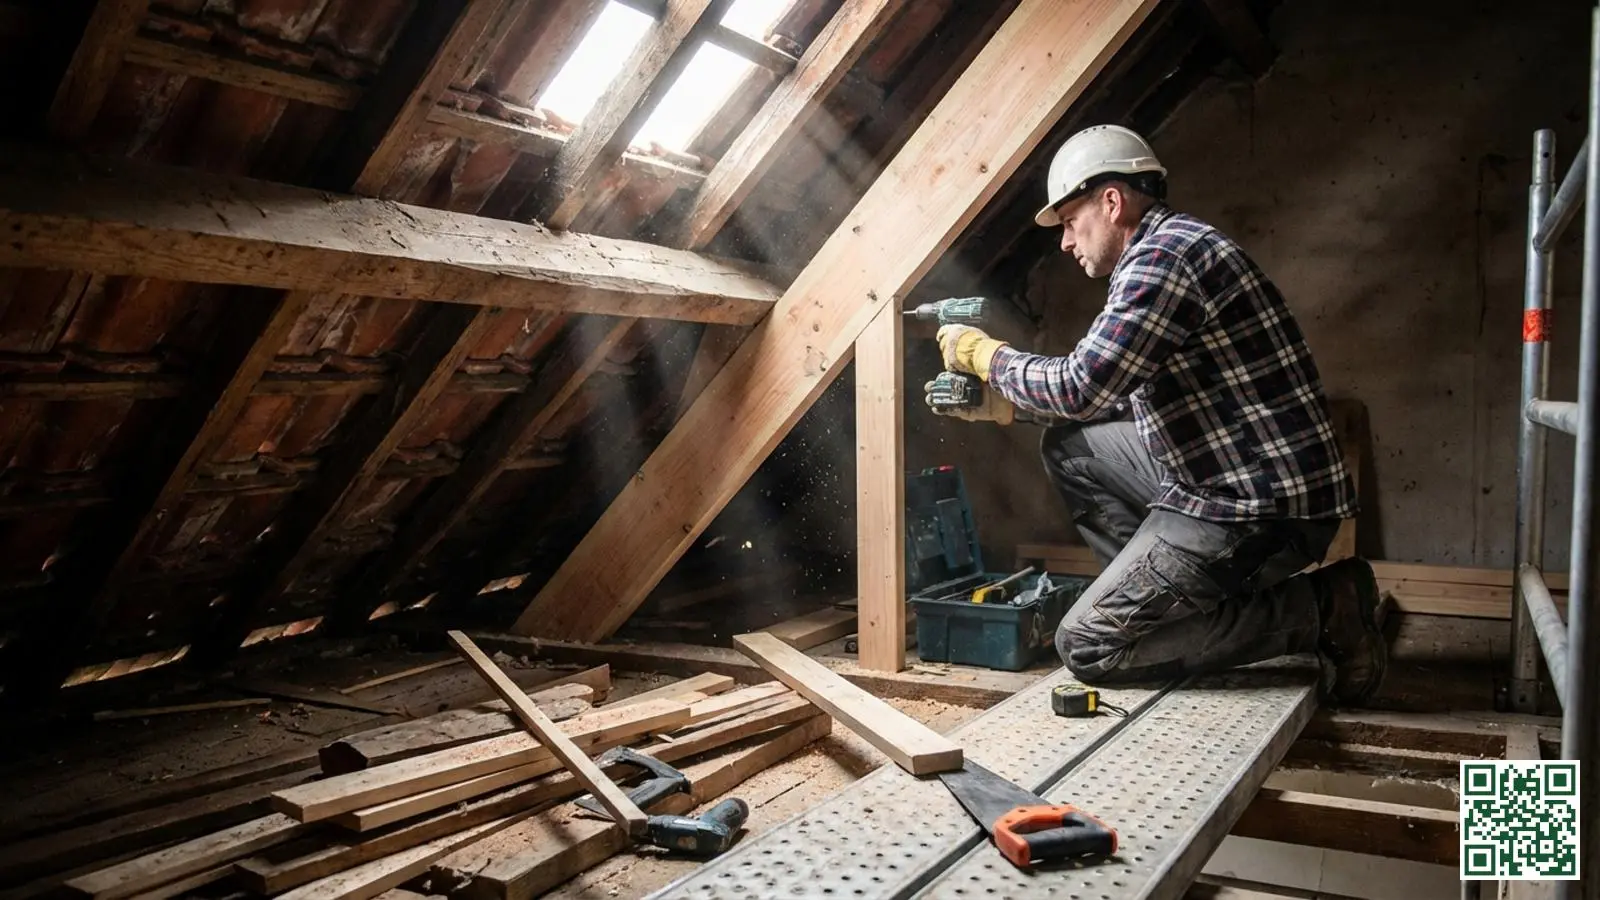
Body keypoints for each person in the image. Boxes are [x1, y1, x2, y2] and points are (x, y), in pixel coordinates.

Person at [926, 125, 1386, 706]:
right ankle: (1155, 601)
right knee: (1071, 446)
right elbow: (1118, 397)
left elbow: (1079, 387)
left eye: (1069, 221)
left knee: (1090, 646)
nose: (1065, 243)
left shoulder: (1164, 259)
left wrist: (988, 358)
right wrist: (1008, 408)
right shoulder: (1169, 250)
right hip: (1229, 475)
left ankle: (1323, 608)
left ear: (1112, 201)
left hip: (1256, 507)